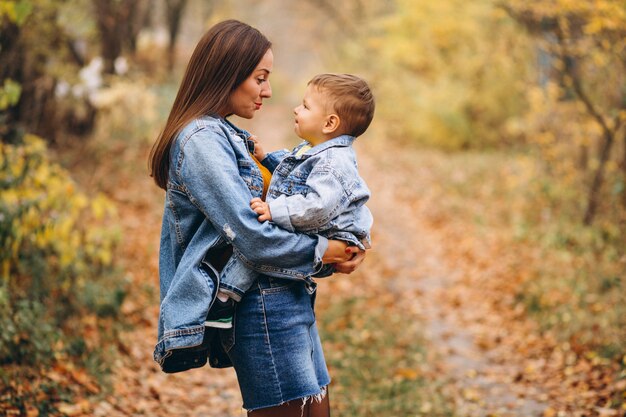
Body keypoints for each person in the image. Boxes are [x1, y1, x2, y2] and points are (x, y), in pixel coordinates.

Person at [148, 20, 366, 416]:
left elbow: (300, 212)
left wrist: (343, 245)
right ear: (227, 72)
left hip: (290, 298)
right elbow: (252, 237)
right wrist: (326, 251)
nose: (267, 90)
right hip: (261, 308)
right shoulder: (200, 140)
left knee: (318, 411)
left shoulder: (231, 135)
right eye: (259, 78)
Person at [205, 73, 374, 329]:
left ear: (330, 123)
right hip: (322, 234)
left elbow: (318, 206)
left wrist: (275, 210)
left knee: (261, 245)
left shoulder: (333, 162)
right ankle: (224, 296)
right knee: (261, 244)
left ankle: (224, 297)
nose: (297, 109)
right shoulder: (314, 149)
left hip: (329, 232)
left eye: (305, 106)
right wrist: (267, 158)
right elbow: (293, 177)